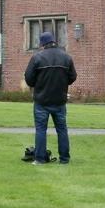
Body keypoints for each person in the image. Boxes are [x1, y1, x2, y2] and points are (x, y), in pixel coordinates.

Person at [23, 31, 77, 164]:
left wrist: (39, 84)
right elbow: (72, 77)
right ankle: (64, 159)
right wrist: (62, 84)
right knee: (62, 129)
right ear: (54, 41)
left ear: (42, 44)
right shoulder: (66, 57)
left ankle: (40, 159)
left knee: (41, 129)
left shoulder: (37, 58)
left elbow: (29, 79)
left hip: (42, 100)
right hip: (59, 100)